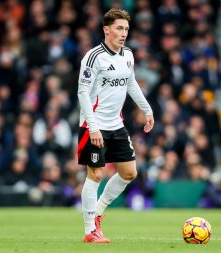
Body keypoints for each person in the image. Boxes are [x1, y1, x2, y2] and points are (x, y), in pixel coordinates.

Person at [77, 8, 154, 243]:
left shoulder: (128, 55)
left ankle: (98, 212)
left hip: (116, 124)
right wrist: (93, 127)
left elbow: (131, 84)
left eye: (126, 29)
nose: (123, 33)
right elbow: (82, 92)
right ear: (106, 29)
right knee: (95, 174)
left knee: (129, 172)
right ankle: (90, 230)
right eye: (119, 28)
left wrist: (147, 109)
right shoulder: (93, 57)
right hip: (93, 124)